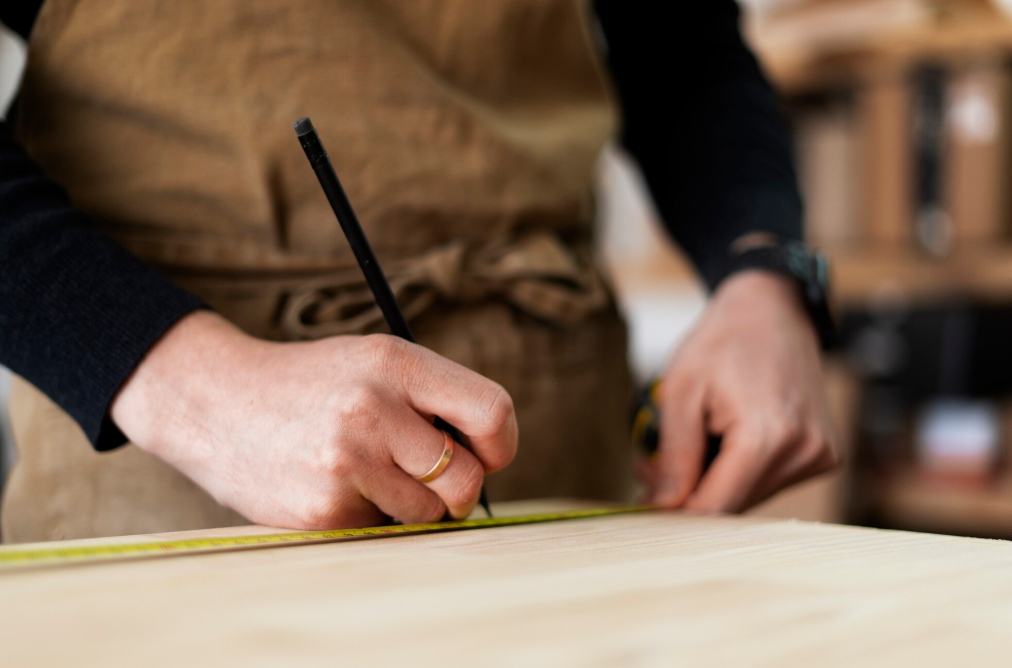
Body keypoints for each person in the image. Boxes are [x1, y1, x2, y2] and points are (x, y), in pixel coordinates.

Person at [0, 0, 837, 543]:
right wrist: (194, 389)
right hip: (179, 479)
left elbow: (685, 52)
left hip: (556, 436)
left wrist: (763, 275)